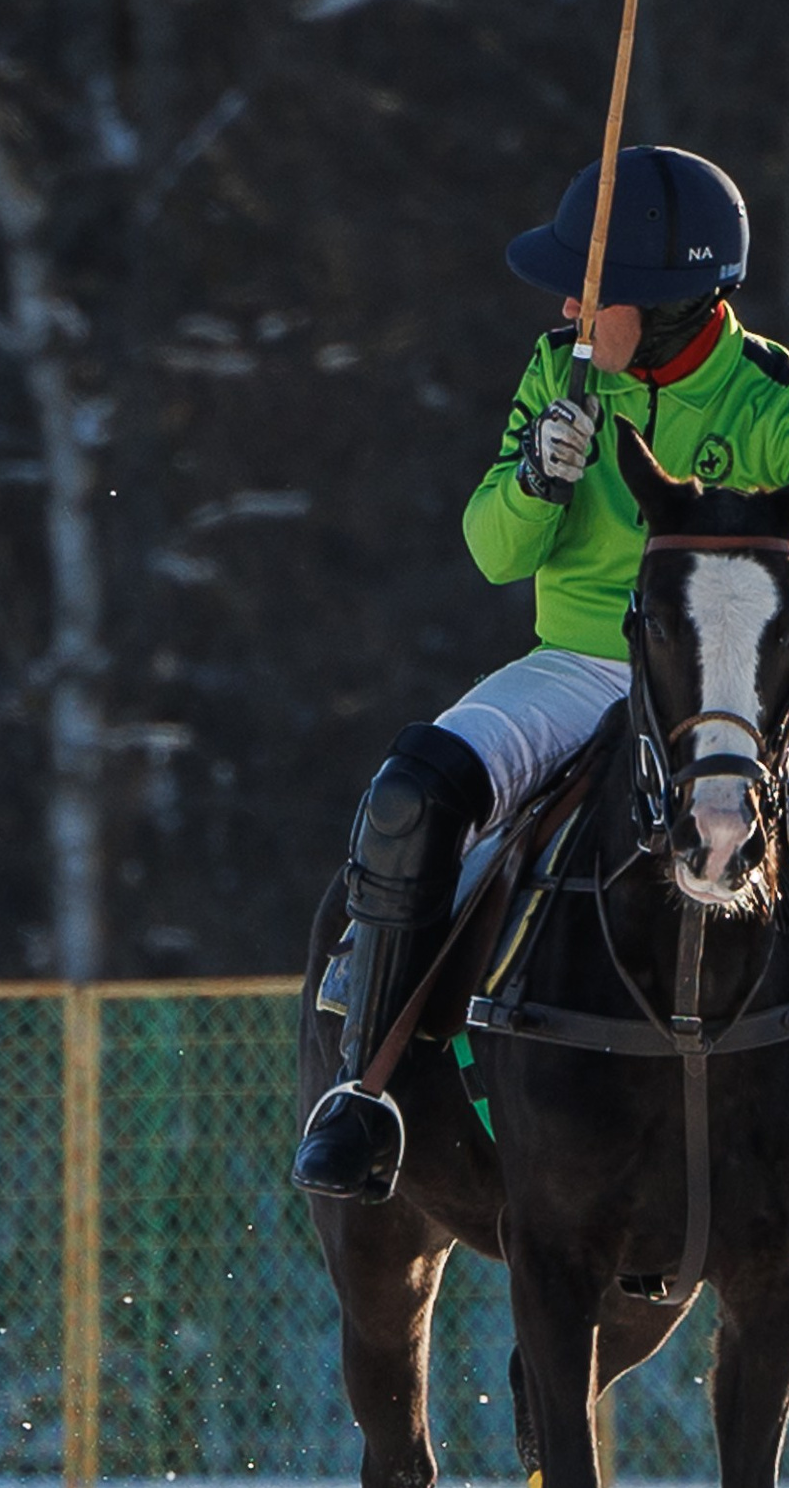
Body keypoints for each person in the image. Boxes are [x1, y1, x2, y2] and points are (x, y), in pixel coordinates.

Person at [294, 145, 789, 1202]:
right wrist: (534, 479)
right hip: (574, 668)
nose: (569, 300)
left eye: (591, 285)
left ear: (661, 304)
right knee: (411, 791)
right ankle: (365, 1088)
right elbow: (491, 551)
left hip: (733, 692)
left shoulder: (770, 399)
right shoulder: (558, 368)